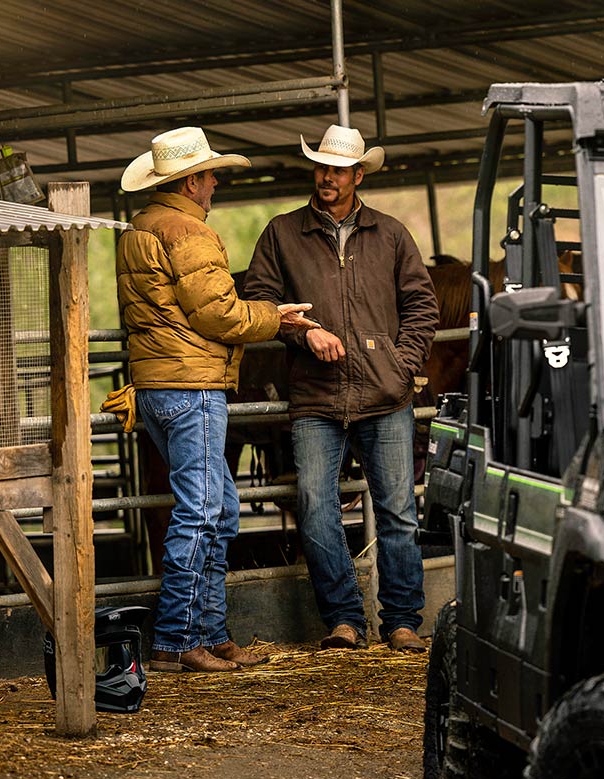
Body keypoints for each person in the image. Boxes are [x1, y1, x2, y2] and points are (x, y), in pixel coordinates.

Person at [116, 126, 319, 673]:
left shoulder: (139, 228)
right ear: (190, 183)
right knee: (202, 510)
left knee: (221, 508)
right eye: (209, 176)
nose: (214, 185)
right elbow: (218, 314)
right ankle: (176, 640)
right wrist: (276, 317)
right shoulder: (189, 234)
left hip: (157, 384)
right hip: (192, 386)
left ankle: (211, 630)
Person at [244, 124, 438, 652]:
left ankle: (402, 620)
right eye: (321, 167)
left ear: (357, 175)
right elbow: (260, 304)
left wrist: (401, 364)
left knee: (398, 509)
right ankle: (344, 620)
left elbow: (423, 307)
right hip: (315, 395)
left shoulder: (392, 234)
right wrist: (306, 332)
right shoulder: (282, 234)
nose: (327, 177)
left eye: (337, 169)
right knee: (315, 505)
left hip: (386, 395)